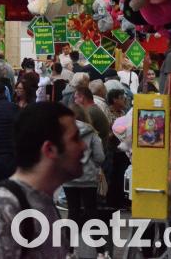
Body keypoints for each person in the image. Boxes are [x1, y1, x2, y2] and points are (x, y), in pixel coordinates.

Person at [0, 102, 85, 258]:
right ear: (49, 149)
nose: (83, 146)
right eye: (75, 138)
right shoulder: (2, 209)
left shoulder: (42, 201)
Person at [62, 107, 105, 259]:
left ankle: (69, 251)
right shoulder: (92, 133)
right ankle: (100, 251)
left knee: (72, 212)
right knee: (92, 212)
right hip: (88, 177)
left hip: (69, 177)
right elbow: (100, 156)